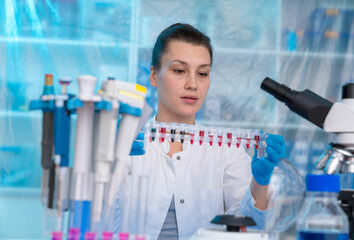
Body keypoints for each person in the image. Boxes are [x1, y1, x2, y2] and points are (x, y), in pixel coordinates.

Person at [114, 23, 286, 240]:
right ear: (154, 75)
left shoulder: (226, 149)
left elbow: (249, 228)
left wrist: (260, 183)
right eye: (179, 70)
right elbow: (93, 219)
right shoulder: (130, 141)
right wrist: (111, 160)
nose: (193, 84)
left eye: (202, 73)